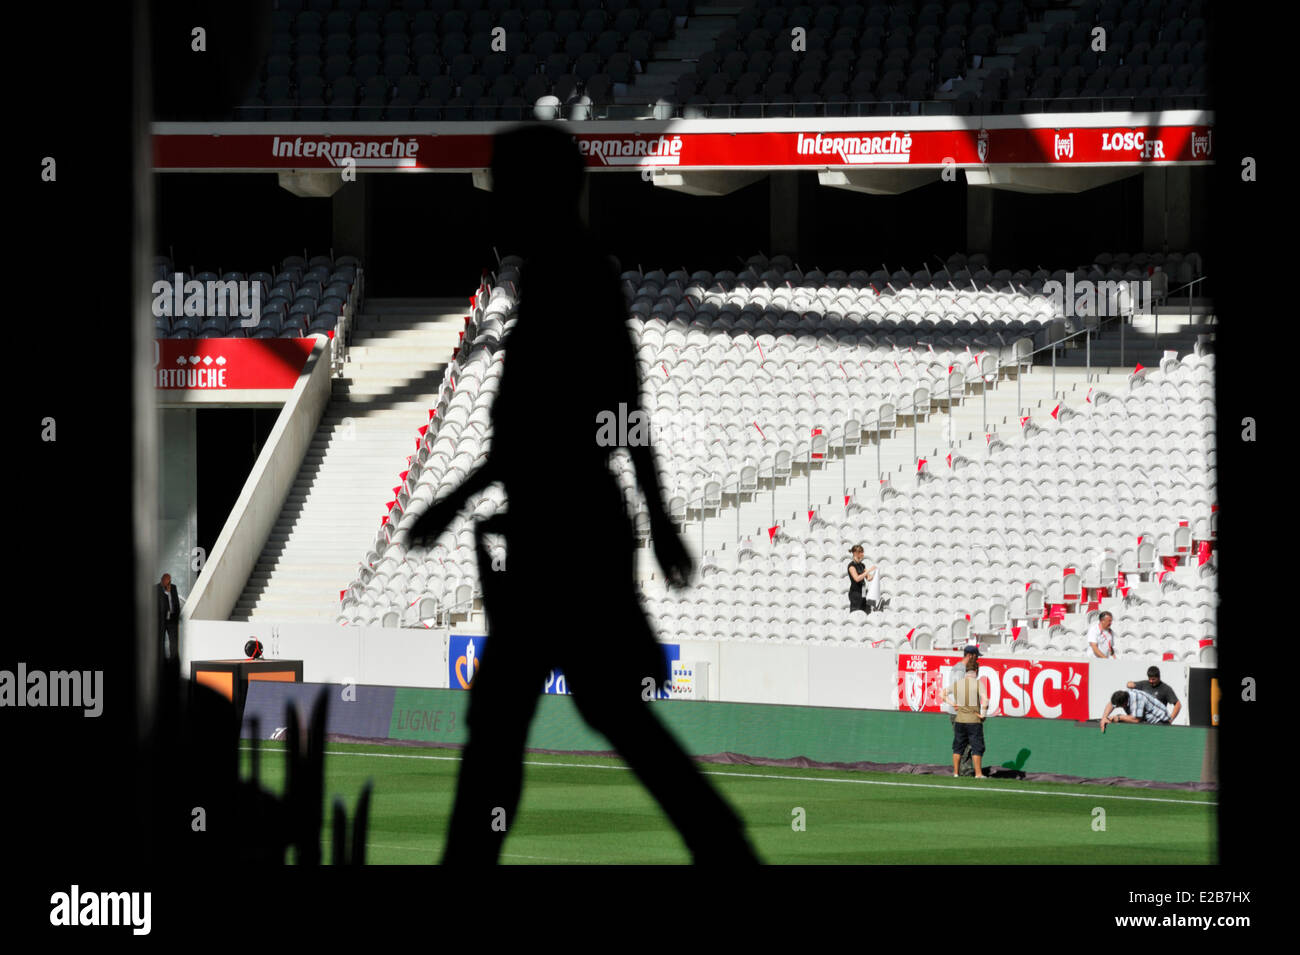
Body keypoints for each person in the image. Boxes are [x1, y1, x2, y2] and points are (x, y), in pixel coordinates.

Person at [408, 123, 759, 865]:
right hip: (557, 528)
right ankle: (722, 843)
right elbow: (542, 430)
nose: (496, 198)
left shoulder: (573, 277)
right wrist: (457, 498)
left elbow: (612, 410)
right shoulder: (560, 273)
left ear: (537, 190)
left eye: (505, 184)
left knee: (523, 721)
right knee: (578, 714)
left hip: (565, 533)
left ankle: (721, 843)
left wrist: (660, 520)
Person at [943, 656, 988, 777]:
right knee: (977, 747)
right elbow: (985, 699)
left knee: (958, 747)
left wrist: (953, 704)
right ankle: (978, 773)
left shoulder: (958, 684)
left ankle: (956, 772)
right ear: (976, 671)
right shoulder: (978, 684)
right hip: (974, 720)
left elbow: (942, 694)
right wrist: (983, 714)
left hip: (960, 720)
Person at [1100, 689, 1171, 731]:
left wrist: (1119, 717)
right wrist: (1104, 718)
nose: (1116, 707)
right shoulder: (1124, 695)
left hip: (1161, 721)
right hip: (1150, 722)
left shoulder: (1137, 699)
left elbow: (1136, 719)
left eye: (1118, 706)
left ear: (1124, 703)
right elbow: (1111, 704)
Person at [847, 545, 877, 613]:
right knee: (856, 612)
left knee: (863, 611)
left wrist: (875, 573)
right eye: (861, 552)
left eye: (862, 552)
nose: (863, 554)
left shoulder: (861, 565)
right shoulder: (851, 566)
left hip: (863, 592)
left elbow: (868, 578)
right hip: (855, 593)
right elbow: (857, 579)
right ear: (855, 553)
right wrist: (868, 571)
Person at [158, 573, 180, 661]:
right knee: (160, 641)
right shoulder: (156, 588)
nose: (168, 581)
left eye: (169, 580)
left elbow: (176, 602)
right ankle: (161, 660)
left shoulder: (173, 588)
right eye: (166, 580)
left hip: (172, 619)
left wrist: (177, 615)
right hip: (161, 620)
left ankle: (173, 659)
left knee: (173, 642)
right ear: (162, 580)